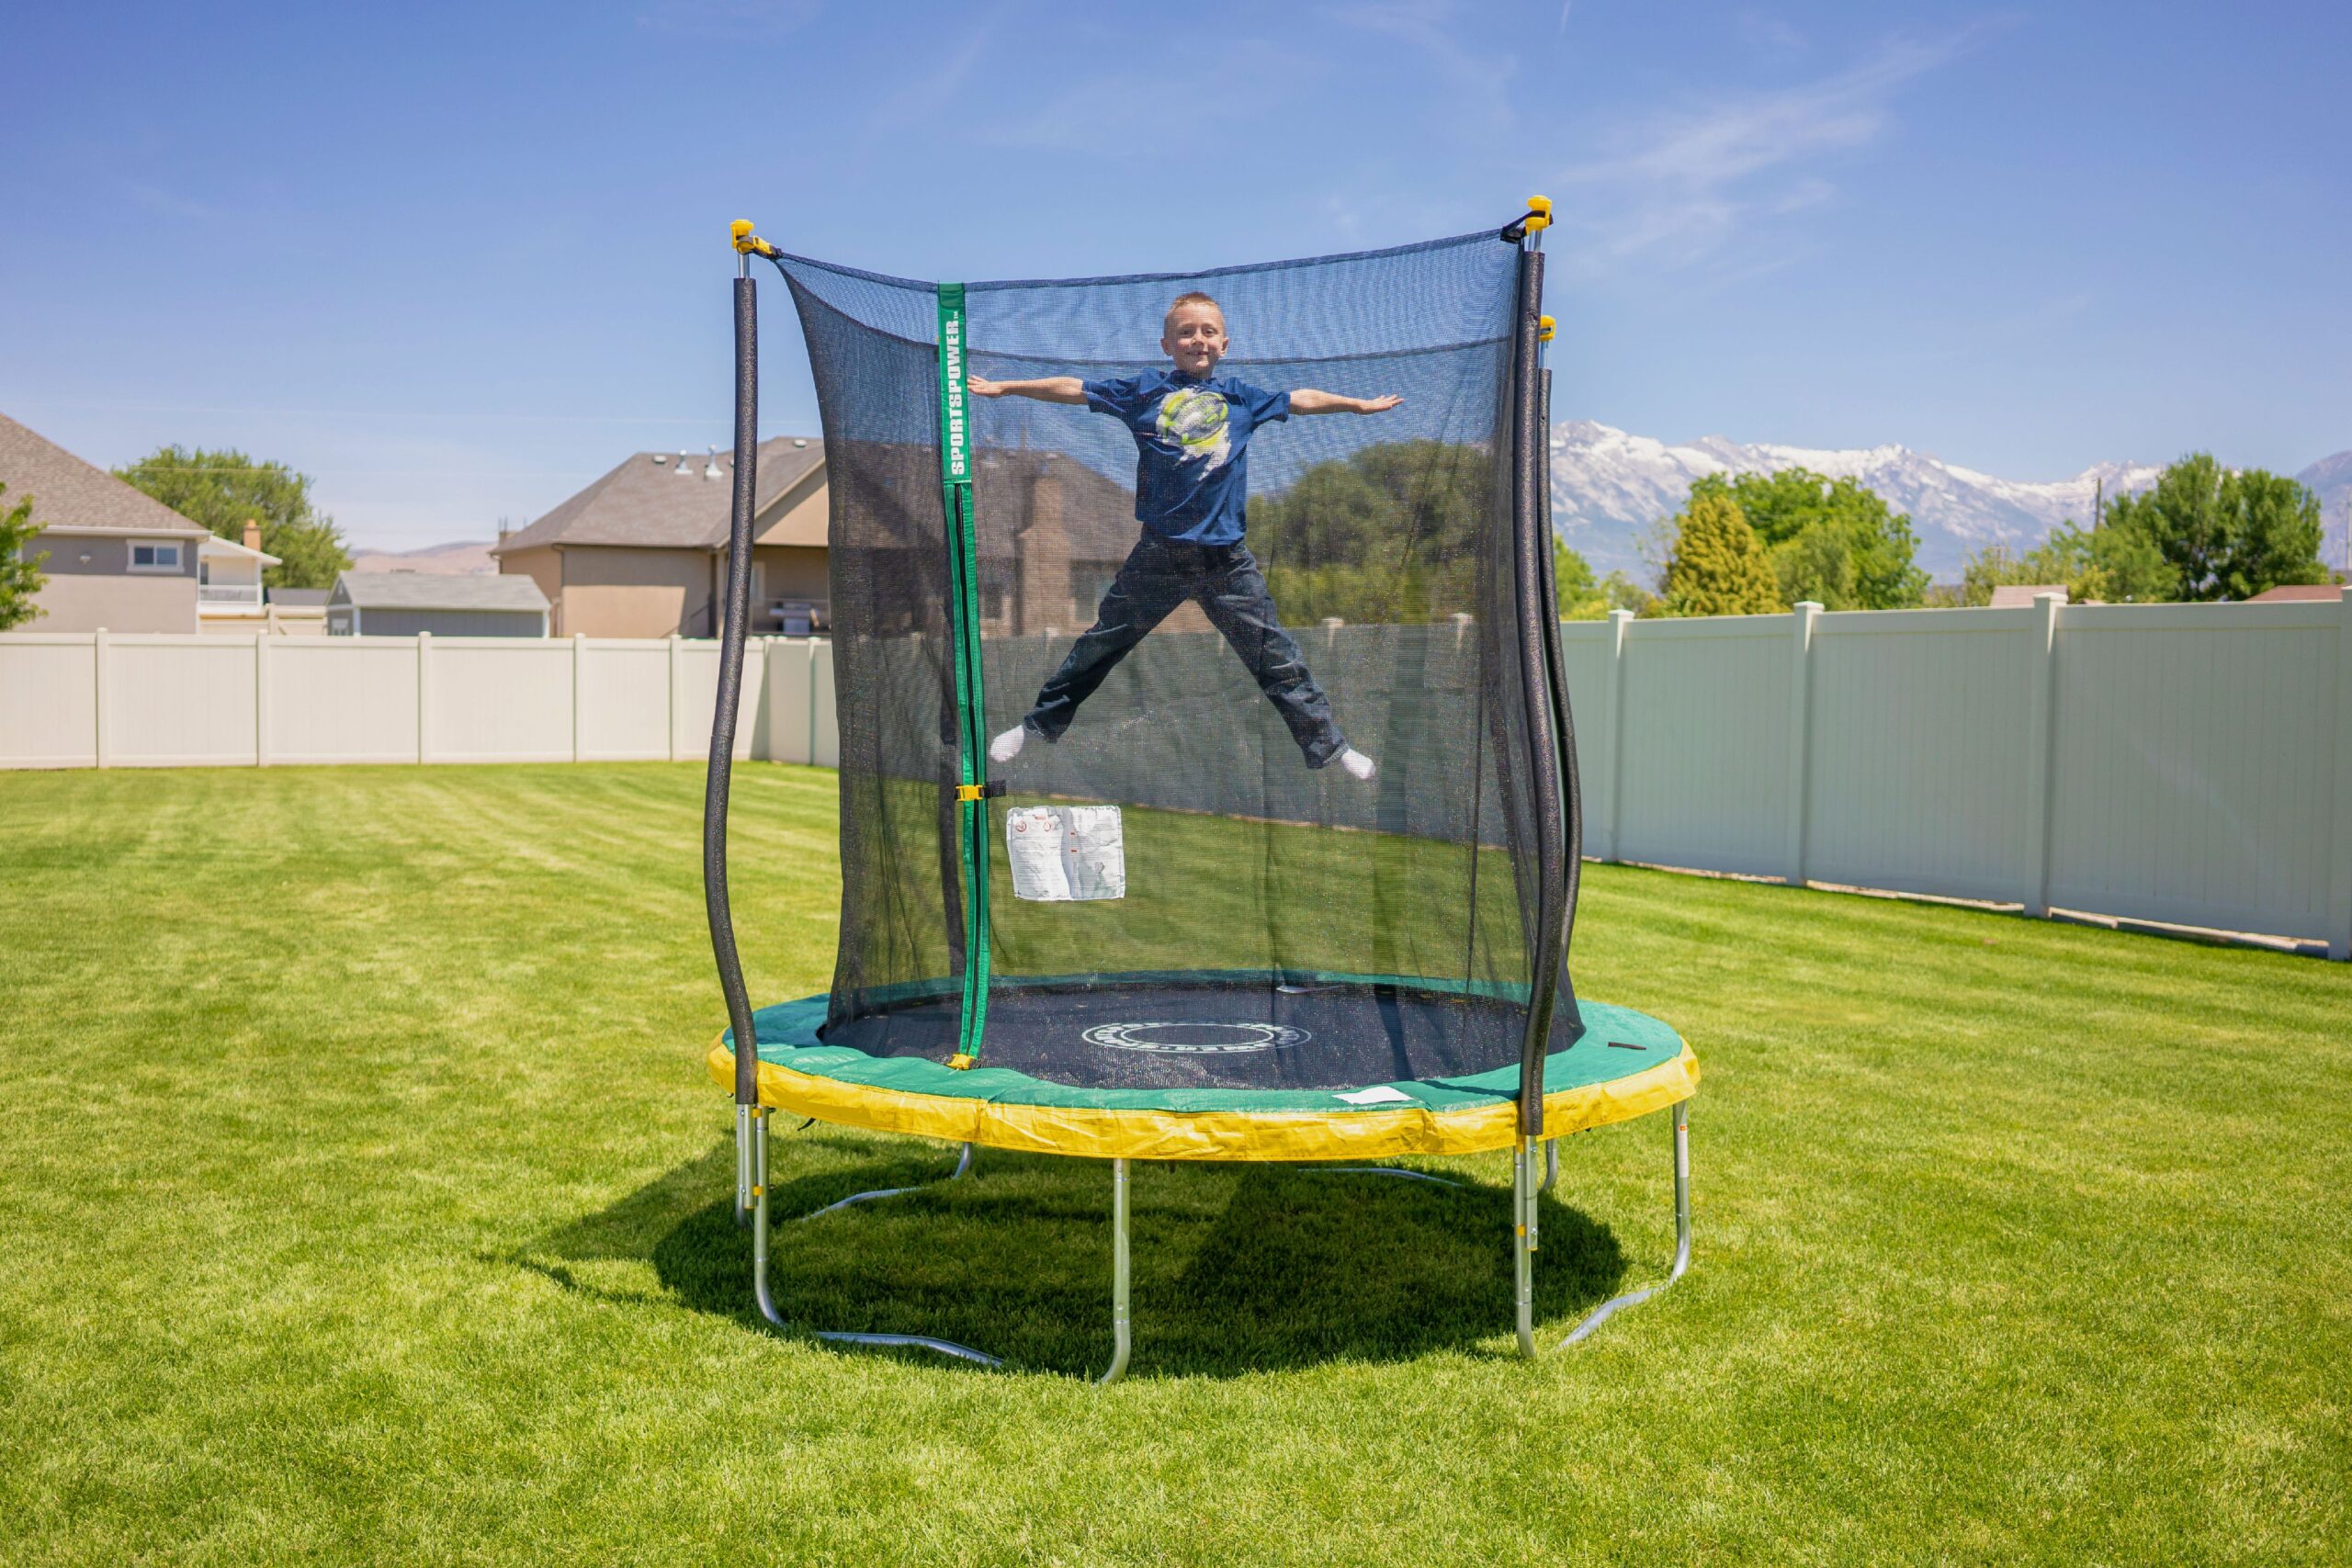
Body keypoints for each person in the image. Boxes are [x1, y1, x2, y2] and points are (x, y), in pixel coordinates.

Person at [967, 291, 1399, 780]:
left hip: (1226, 561)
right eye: (1186, 332)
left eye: (1208, 332)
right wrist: (1009, 387)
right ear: (1167, 345)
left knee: (1275, 657)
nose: (1198, 339)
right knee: (1101, 644)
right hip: (1161, 555)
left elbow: (1301, 399)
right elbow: (1073, 387)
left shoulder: (1241, 398)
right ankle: (1037, 726)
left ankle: (1331, 746)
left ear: (1224, 345)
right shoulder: (1143, 392)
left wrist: (1357, 405)